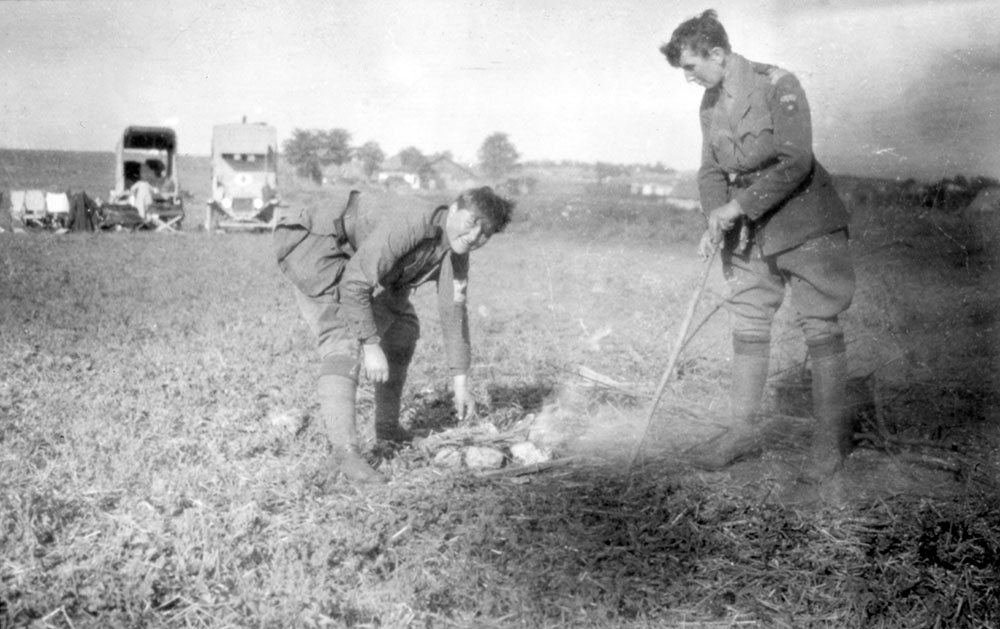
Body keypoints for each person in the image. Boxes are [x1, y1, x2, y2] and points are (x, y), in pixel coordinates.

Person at [660, 10, 855, 481]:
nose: (687, 78)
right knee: (747, 321)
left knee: (819, 325)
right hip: (749, 231)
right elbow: (710, 171)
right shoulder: (709, 104)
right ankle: (742, 432)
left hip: (805, 221)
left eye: (691, 66)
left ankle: (829, 443)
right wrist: (714, 216)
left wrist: (736, 207)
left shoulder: (777, 85)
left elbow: (795, 161)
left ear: (718, 54)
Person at [274, 186, 514, 485]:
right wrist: (371, 343)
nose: (474, 237)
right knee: (343, 337)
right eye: (471, 224)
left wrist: (461, 382)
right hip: (321, 245)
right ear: (453, 209)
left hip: (360, 259)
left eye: (485, 234)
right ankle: (344, 455)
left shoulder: (456, 250)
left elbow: (454, 312)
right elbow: (355, 283)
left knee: (403, 328)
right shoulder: (412, 223)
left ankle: (387, 429)